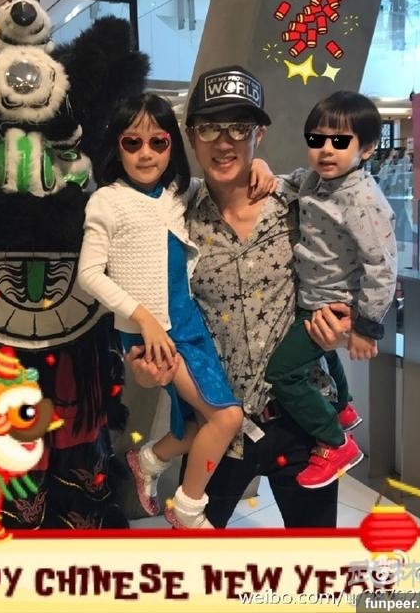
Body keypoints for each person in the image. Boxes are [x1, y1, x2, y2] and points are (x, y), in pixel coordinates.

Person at [128, 65, 351, 528]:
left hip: (303, 419)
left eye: (239, 127)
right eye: (210, 127)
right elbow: (145, 297)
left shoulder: (298, 203)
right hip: (221, 423)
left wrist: (346, 324)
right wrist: (144, 367)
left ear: (259, 134)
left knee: (315, 557)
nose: (224, 142)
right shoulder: (174, 216)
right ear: (191, 136)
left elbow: (359, 251)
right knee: (197, 563)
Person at [77, 93, 274, 528]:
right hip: (154, 332)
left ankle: (149, 459)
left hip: (187, 323)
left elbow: (226, 181)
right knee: (227, 416)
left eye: (158, 142)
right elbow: (88, 274)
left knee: (202, 421)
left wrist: (258, 165)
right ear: (117, 146)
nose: (146, 153)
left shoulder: (177, 194)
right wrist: (142, 319)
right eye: (132, 143)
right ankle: (188, 509)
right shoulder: (106, 200)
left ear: (173, 145)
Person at [264, 91, 397, 489]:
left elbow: (383, 267)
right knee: (319, 357)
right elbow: (288, 182)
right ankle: (340, 408)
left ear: (366, 148)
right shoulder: (315, 179)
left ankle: (335, 442)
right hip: (312, 297)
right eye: (317, 139)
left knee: (282, 372)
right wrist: (260, 169)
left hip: (334, 305)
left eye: (340, 141)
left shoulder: (363, 200)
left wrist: (366, 328)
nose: (325, 149)